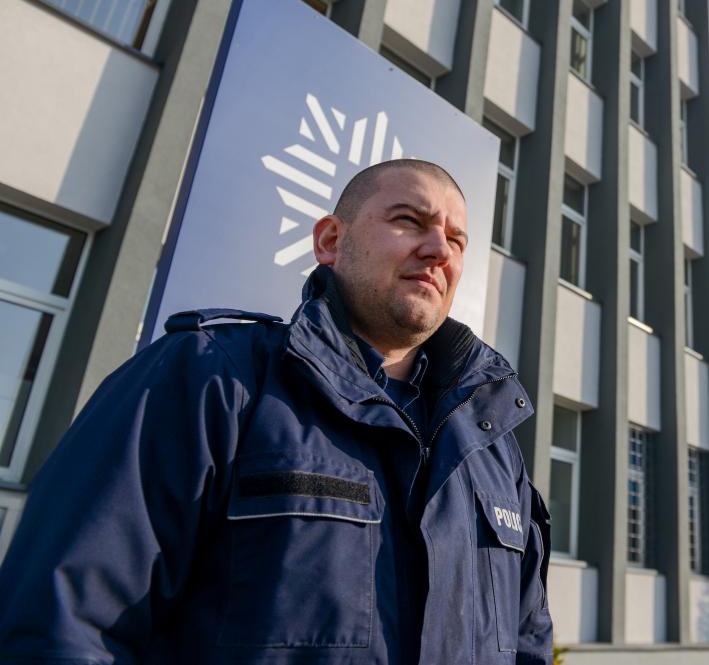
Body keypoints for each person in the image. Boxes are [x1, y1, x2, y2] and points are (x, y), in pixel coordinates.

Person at [0, 160, 553, 664]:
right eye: (410, 221)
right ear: (330, 240)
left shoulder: (493, 446)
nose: (439, 250)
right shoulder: (211, 378)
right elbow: (63, 625)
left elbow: (528, 642)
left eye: (456, 240)